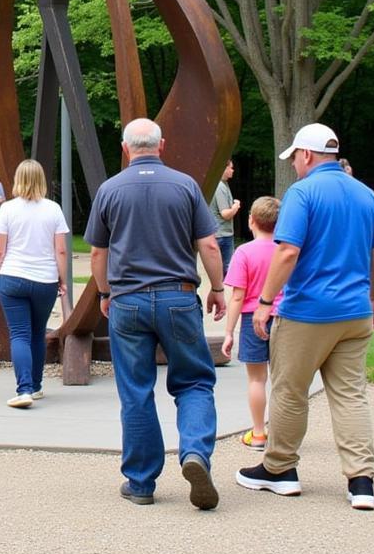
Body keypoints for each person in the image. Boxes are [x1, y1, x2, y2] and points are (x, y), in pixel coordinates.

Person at [237, 123, 374, 511]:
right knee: (351, 395)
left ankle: (280, 469)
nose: (295, 167)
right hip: (354, 312)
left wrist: (267, 301)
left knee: (290, 390)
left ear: (306, 155)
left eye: (296, 159)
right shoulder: (365, 193)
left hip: (307, 311)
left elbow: (287, 252)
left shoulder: (302, 193)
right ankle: (361, 481)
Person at [85, 118, 226, 510]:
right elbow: (210, 246)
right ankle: (195, 452)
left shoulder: (109, 190)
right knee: (195, 382)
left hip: (127, 301)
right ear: (161, 146)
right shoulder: (185, 186)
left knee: (135, 390)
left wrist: (105, 293)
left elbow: (98, 253)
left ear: (126, 148)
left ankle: (141, 482)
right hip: (178, 298)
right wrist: (217, 289)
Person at [0, 159, 67, 407]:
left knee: (19, 334)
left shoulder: (8, 209)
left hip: (13, 278)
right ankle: (37, 386)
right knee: (38, 333)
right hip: (44, 280)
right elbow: (60, 251)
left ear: (17, 180)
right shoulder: (53, 209)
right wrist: (61, 279)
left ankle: (24, 389)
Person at [220, 196, 282, 450]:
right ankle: (283, 436)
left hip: (251, 319)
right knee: (284, 382)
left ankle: (258, 433)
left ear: (251, 221)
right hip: (284, 318)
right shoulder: (286, 251)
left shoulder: (243, 252)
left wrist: (228, 332)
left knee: (257, 380)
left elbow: (237, 296)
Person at [208, 159, 241, 276]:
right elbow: (225, 214)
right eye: (230, 168)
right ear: (224, 168)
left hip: (220, 234)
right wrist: (236, 206)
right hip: (222, 235)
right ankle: (222, 293)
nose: (233, 170)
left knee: (221, 271)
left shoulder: (223, 184)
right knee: (227, 271)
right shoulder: (220, 186)